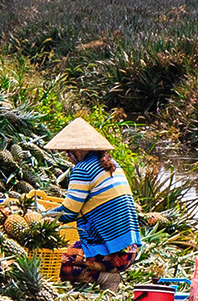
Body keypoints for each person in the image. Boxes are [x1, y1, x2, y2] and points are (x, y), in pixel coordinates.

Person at [44, 118, 141, 287]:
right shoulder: (113, 165)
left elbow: (69, 213)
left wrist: (41, 216)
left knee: (58, 262)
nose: (67, 155)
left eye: (69, 151)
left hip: (113, 256)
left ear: (80, 150)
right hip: (130, 251)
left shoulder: (82, 170)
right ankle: (90, 283)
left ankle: (105, 278)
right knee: (75, 249)